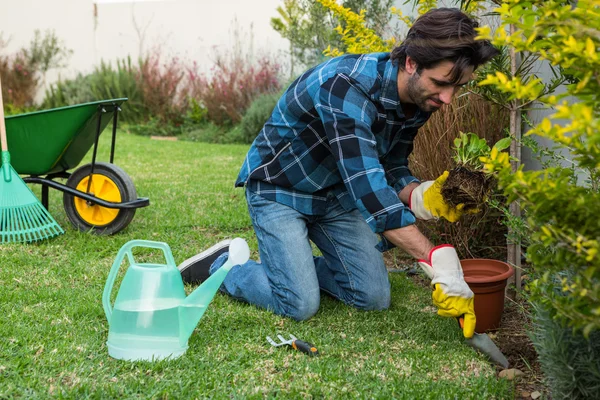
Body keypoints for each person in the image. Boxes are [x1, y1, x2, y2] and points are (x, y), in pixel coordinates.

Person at [178, 8, 499, 339]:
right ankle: (225, 265)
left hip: (334, 195)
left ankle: (290, 270)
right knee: (299, 305)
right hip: (280, 190)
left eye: (457, 87)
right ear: (411, 64)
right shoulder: (344, 86)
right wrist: (436, 261)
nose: (448, 98)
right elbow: (368, 189)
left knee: (373, 297)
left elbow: (391, 166)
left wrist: (419, 195)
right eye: (442, 84)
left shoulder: (420, 99)